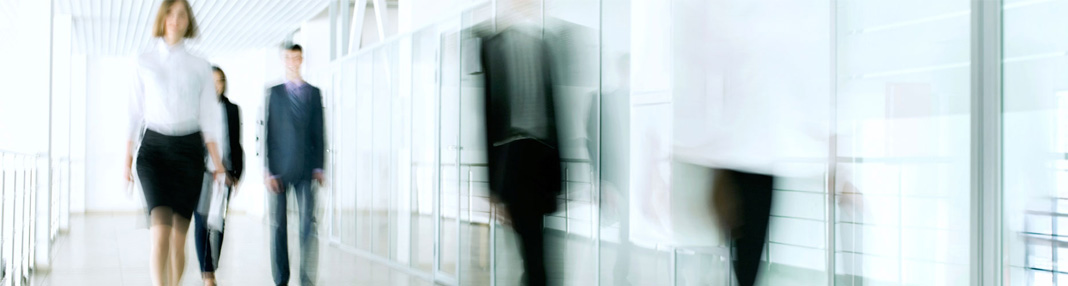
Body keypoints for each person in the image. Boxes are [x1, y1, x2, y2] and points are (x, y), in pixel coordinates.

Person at [125, 1, 225, 285]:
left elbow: (208, 118)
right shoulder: (143, 60)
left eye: (182, 14)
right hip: (154, 152)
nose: (175, 19)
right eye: (170, 12)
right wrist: (126, 159)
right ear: (162, 17)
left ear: (188, 21)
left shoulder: (200, 66)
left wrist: (217, 164)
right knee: (160, 234)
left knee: (178, 241)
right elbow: (133, 112)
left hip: (189, 153)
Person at [481, 19, 562, 286]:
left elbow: (554, 113)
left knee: (534, 252)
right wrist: (493, 186)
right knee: (533, 251)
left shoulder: (543, 47)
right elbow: (489, 119)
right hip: (514, 162)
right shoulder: (494, 46)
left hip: (536, 161)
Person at [262, 44, 325, 286]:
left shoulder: (314, 93)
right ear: (283, 60)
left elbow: (319, 132)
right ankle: (280, 279)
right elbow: (269, 132)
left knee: (308, 227)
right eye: (288, 57)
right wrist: (268, 169)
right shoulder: (274, 93)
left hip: (307, 169)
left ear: (301, 60)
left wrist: (319, 167)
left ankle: (307, 280)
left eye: (296, 57)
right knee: (278, 226)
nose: (292, 61)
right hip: (279, 169)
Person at [191, 66, 244, 286]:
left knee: (219, 223)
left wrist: (237, 173)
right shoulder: (196, 110)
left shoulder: (232, 109)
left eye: (219, 81)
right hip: (203, 174)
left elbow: (236, 142)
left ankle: (212, 266)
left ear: (224, 83)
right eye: (211, 82)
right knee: (202, 222)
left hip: (226, 177)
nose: (216, 86)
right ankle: (207, 274)